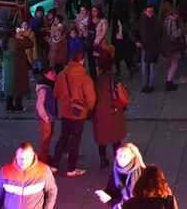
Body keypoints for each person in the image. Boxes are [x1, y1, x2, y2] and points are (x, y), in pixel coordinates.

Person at [53, 50, 97, 178]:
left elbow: (56, 94)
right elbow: (91, 100)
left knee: (63, 137)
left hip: (65, 112)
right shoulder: (85, 78)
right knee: (75, 140)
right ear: (82, 61)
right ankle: (71, 168)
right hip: (79, 114)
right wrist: (89, 109)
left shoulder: (62, 75)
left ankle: (55, 165)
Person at [0, 143, 58, 209]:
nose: (23, 161)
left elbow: (52, 191)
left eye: (27, 158)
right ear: (16, 156)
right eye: (20, 157)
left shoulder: (44, 170)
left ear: (33, 156)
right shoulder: (5, 172)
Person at [93, 50, 128, 169]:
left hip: (100, 111)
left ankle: (102, 159)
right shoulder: (115, 78)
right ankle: (118, 159)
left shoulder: (97, 80)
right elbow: (124, 93)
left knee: (101, 136)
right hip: (114, 110)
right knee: (115, 136)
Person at [96, 142, 146, 208]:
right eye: (119, 156)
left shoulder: (143, 173)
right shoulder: (116, 170)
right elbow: (111, 191)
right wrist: (107, 197)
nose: (121, 159)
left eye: (125, 156)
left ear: (132, 156)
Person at [130, 5, 163, 93]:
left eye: (152, 12)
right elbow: (131, 31)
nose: (151, 13)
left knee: (151, 67)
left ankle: (150, 84)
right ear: (145, 11)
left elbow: (159, 34)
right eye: (149, 11)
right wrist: (136, 41)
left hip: (153, 47)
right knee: (145, 67)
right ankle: (145, 83)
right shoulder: (141, 21)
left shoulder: (155, 22)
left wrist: (158, 46)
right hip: (144, 47)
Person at [3, 27, 33, 113]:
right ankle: (18, 106)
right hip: (19, 66)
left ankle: (9, 106)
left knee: (10, 86)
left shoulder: (4, 42)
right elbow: (30, 44)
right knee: (18, 86)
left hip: (8, 67)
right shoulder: (18, 42)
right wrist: (25, 36)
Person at [35, 67, 59, 169]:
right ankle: (43, 159)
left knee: (48, 138)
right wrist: (46, 118)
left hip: (49, 117)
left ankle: (45, 156)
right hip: (47, 118)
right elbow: (39, 105)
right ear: (45, 74)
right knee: (45, 139)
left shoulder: (47, 87)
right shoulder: (44, 89)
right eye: (52, 72)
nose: (54, 74)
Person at [162, 8, 185, 92]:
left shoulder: (166, 21)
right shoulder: (173, 22)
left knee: (169, 64)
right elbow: (175, 35)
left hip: (166, 46)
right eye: (177, 14)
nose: (178, 16)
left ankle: (169, 80)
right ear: (174, 14)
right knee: (174, 64)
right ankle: (169, 81)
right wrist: (180, 30)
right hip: (173, 46)